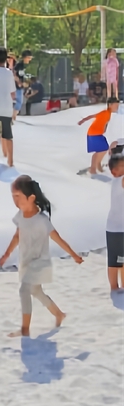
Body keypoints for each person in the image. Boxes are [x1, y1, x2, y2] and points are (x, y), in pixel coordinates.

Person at [0, 175, 83, 337]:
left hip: (40, 262)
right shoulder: (20, 215)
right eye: (13, 196)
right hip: (26, 261)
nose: (15, 200)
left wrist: (74, 255)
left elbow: (58, 238)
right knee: (36, 292)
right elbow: (17, 235)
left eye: (18, 196)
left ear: (31, 198)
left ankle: (25, 330)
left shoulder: (42, 221)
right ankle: (59, 314)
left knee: (24, 290)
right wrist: (7, 253)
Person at [78, 98, 118, 174]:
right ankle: (93, 169)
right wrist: (82, 120)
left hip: (98, 133)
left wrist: (104, 128)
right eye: (116, 105)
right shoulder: (105, 112)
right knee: (101, 150)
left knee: (104, 149)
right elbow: (92, 116)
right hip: (93, 133)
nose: (117, 107)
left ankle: (98, 164)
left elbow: (105, 122)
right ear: (110, 105)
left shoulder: (108, 113)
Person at [106, 153, 124, 291]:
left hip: (117, 227)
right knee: (115, 261)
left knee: (120, 260)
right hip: (117, 229)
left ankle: (120, 286)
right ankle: (115, 286)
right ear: (114, 171)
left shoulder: (118, 182)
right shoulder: (119, 181)